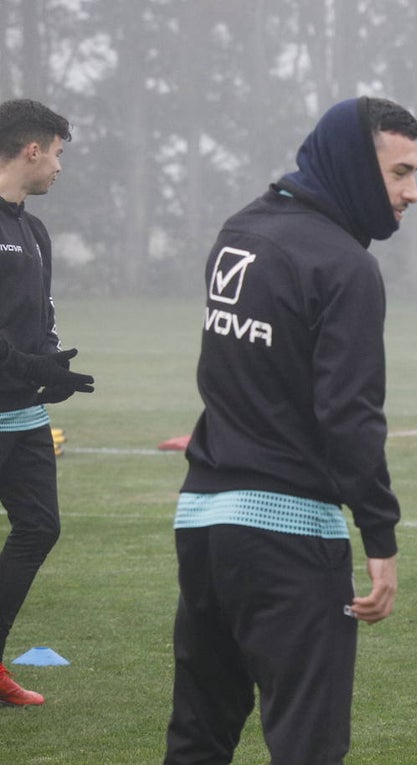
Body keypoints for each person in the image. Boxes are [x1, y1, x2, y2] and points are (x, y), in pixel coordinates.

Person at [163, 96, 417, 764]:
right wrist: (381, 535)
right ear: (356, 166)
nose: (412, 193)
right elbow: (349, 417)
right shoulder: (345, 266)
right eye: (399, 173)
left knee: (197, 735)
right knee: (309, 746)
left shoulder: (240, 229)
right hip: (288, 537)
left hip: (201, 522)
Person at [0, 99, 95, 707]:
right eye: (59, 152)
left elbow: (43, 316)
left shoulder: (32, 228)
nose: (61, 166)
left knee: (39, 528)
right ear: (33, 148)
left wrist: (53, 366)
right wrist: (22, 363)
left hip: (23, 415)